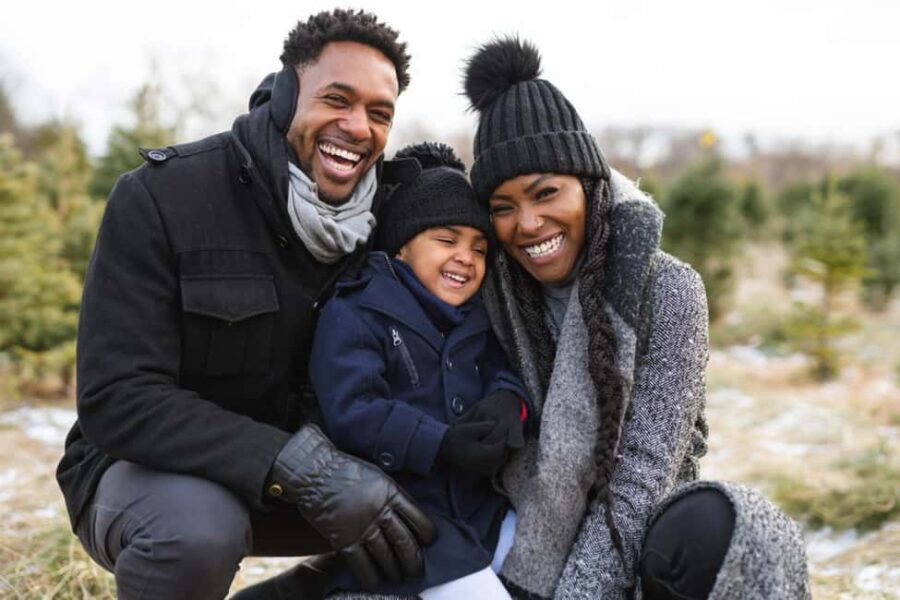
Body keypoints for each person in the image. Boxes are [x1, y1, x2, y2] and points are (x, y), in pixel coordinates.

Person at [55, 10, 438, 600]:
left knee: (450, 501)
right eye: (337, 99)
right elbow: (117, 398)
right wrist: (300, 466)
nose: (358, 126)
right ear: (286, 95)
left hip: (328, 483)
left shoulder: (393, 217)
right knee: (197, 531)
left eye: (379, 113)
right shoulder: (163, 196)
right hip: (152, 477)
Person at [457, 37, 812, 599]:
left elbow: (642, 478)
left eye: (545, 192)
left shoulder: (669, 291)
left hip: (637, 537)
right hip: (510, 536)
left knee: (731, 528)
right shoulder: (488, 292)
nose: (527, 223)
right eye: (503, 207)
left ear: (589, 186)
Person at [308, 142, 529, 599]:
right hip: (406, 519)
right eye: (446, 241)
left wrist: (511, 403)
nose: (465, 258)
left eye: (480, 248)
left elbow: (503, 370)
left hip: (480, 511)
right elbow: (353, 410)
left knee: (548, 573)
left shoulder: (476, 316)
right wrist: (439, 443)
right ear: (403, 248)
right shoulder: (357, 311)